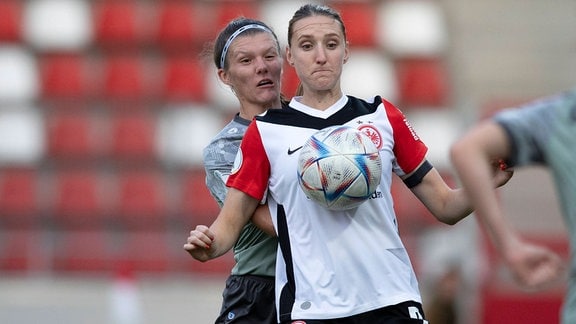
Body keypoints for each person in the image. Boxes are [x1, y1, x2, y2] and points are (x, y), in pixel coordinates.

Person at [185, 4, 511, 323]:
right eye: (307, 45)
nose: (262, 67)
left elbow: (444, 204)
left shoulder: (377, 119)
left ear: (346, 50)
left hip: (388, 294)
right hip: (288, 291)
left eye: (331, 44)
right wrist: (209, 244)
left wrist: (484, 180)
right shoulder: (254, 139)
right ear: (293, 56)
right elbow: (258, 225)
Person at [450, 90, 572, 323]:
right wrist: (509, 246)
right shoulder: (563, 117)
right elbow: (467, 151)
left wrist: (510, 247)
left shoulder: (561, 116)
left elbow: (467, 149)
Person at [197, 17, 285, 324]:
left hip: (322, 283)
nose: (262, 67)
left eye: (269, 56)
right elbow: (272, 222)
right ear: (225, 76)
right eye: (246, 61)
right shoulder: (224, 150)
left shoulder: (316, 127)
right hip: (260, 290)